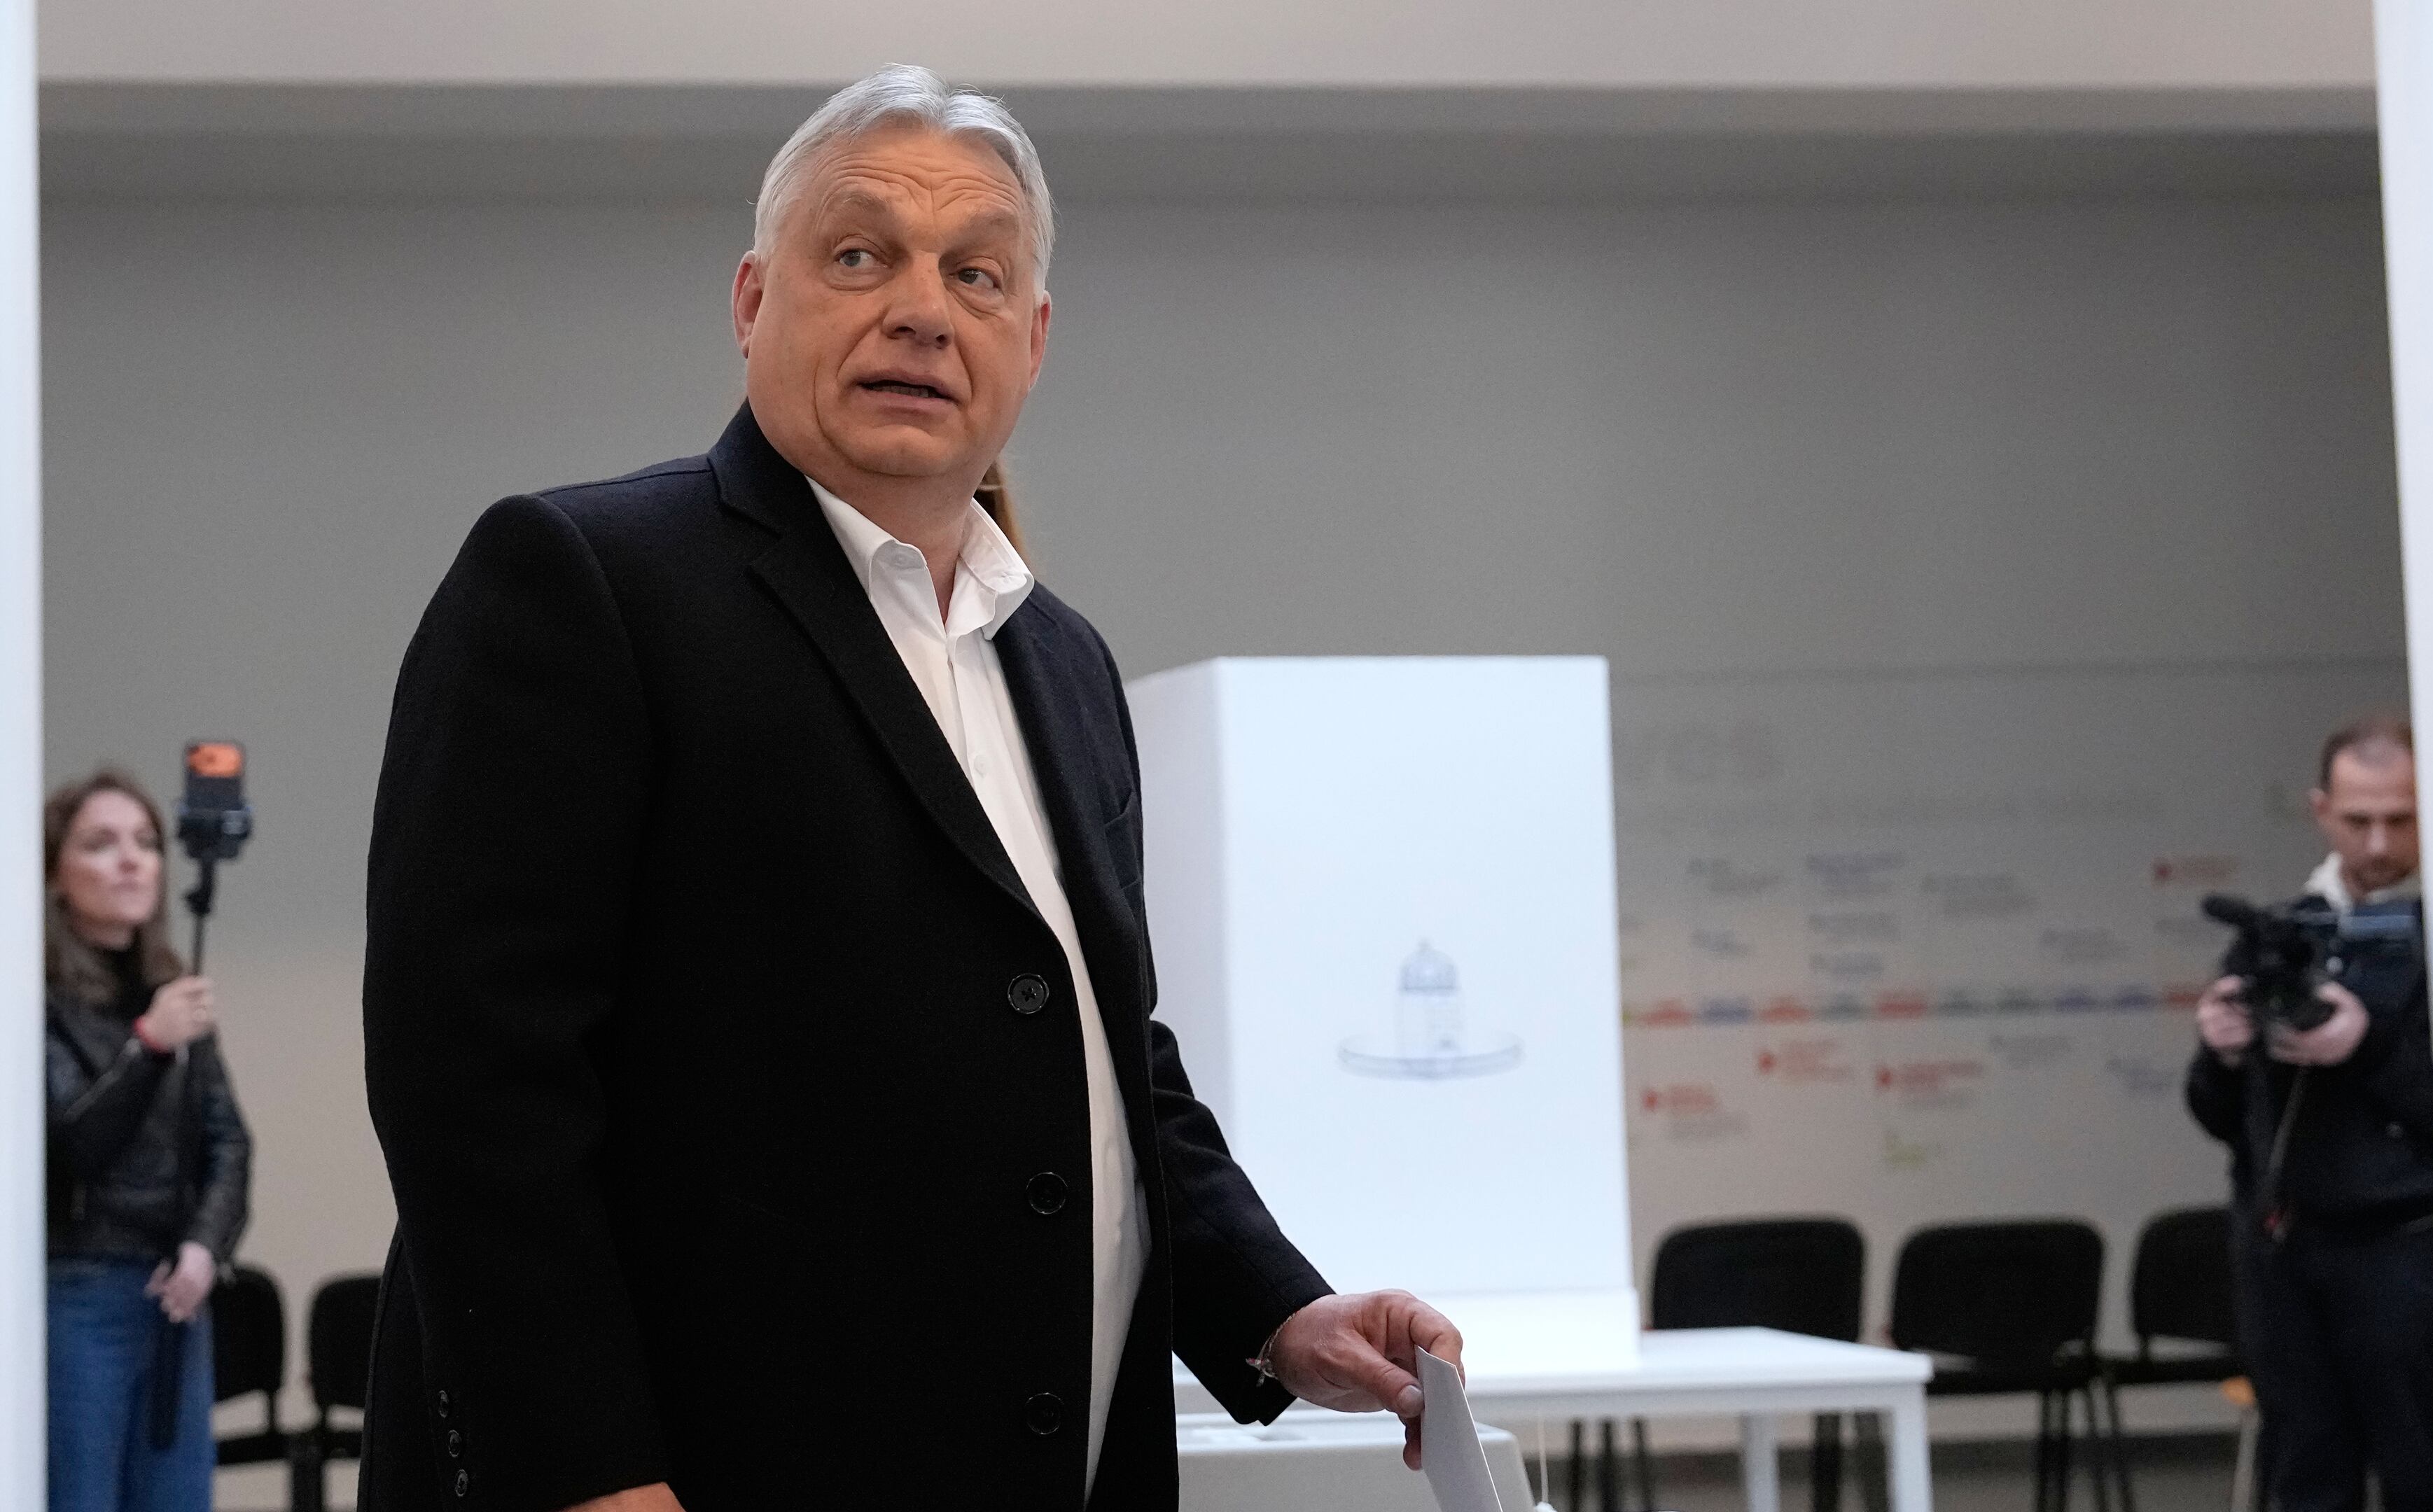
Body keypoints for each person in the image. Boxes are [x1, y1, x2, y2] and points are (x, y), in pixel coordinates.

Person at [359, 66, 1461, 1512]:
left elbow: (1104, 1055)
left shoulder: (1062, 660)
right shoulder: (586, 584)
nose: (924, 311)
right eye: (861, 254)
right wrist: (586, 1479)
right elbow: (473, 1088)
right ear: (754, 299)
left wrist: (1279, 1313)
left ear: (1033, 339)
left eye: (976, 273)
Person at [2187, 715, 2433, 1512]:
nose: (2378, 844)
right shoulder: (2280, 936)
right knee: (2304, 1470)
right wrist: (2222, 1051)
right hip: (2283, 1244)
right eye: (2358, 820)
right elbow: (2219, 1117)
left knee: (2419, 1468)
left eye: (2400, 820)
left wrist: (2365, 1047)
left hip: (2403, 1243)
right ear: (2320, 812)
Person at [43, 767, 253, 1512]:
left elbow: (228, 1143)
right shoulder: (37, 999)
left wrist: (204, 1248)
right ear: (55, 875)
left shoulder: (172, 988)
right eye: (101, 843)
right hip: (78, 1287)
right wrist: (149, 1046)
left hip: (175, 1293)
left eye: (145, 841)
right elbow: (72, 1147)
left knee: (177, 1498)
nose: (131, 860)